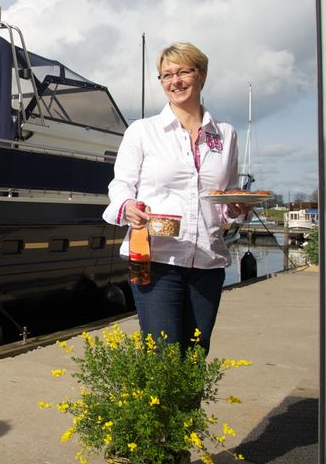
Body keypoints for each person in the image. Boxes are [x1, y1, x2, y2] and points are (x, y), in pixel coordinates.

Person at [102, 42, 253, 355]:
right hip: (156, 259)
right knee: (162, 355)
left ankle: (189, 392)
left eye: (184, 72)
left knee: (196, 354)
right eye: (167, 75)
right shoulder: (142, 131)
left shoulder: (225, 135)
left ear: (202, 75)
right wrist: (127, 206)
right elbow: (121, 184)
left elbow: (225, 199)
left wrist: (235, 209)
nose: (175, 81)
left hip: (208, 260)